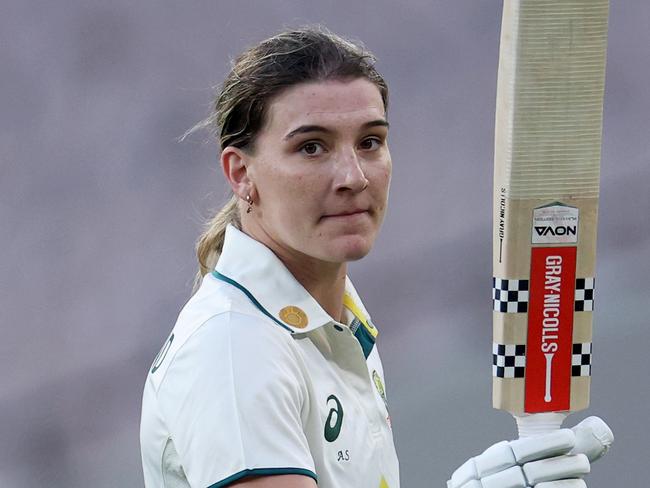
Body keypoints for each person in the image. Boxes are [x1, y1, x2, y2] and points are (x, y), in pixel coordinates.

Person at [140, 26, 612, 488]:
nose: (354, 177)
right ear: (241, 173)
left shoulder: (334, 322)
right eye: (311, 147)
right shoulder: (235, 345)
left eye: (370, 142)